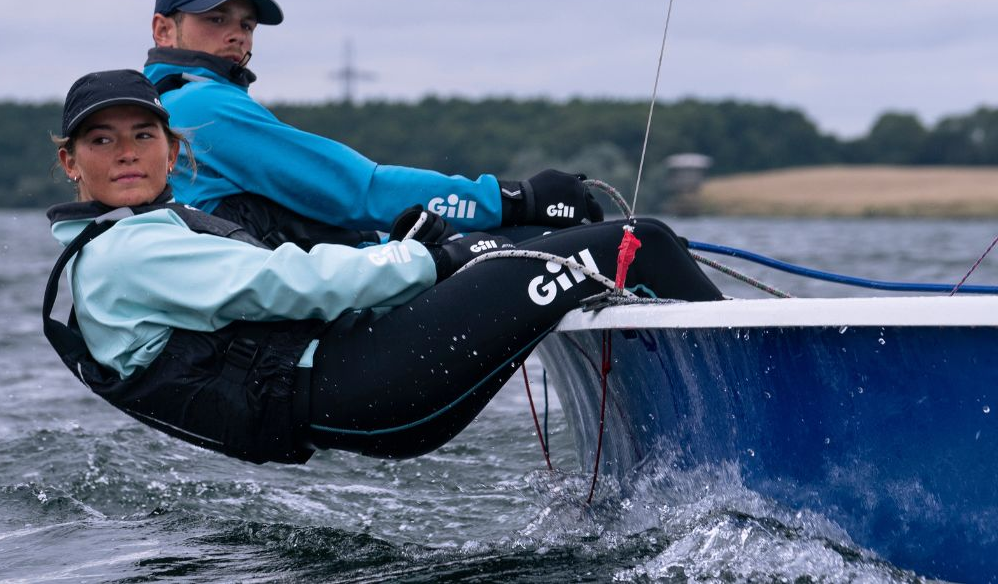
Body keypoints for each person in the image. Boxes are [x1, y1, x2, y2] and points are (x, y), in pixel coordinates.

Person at [44, 70, 721, 463]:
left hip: (361, 393)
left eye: (141, 135)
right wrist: (432, 258)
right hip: (369, 386)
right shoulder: (131, 251)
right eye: (101, 140)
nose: (125, 153)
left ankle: (690, 453)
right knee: (644, 242)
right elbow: (291, 284)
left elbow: (283, 278)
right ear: (71, 162)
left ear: (172, 153)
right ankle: (781, 421)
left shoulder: (123, 246)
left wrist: (416, 254)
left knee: (543, 240)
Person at [142, 0, 603, 249]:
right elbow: (360, 190)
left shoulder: (167, 104)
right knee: (548, 238)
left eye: (246, 24)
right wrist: (514, 200)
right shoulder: (202, 108)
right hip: (303, 340)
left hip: (285, 320)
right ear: (164, 30)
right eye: (215, 18)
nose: (236, 35)